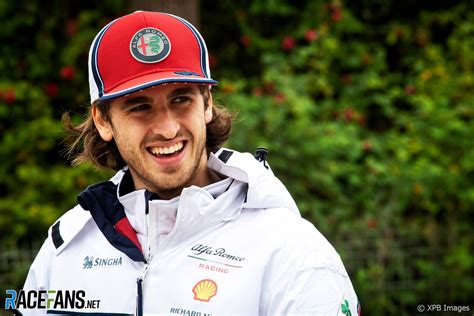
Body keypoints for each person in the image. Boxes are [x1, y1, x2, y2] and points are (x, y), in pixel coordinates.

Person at [19, 11, 359, 316]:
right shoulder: (65, 247)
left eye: (181, 99)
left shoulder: (291, 251)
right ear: (104, 121)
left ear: (207, 105)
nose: (167, 128)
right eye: (139, 107)